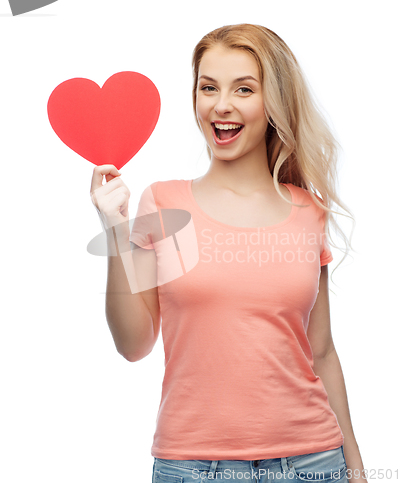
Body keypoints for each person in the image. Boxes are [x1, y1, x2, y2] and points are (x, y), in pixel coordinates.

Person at [90, 24, 366, 482]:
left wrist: (356, 467)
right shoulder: (164, 204)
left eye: (244, 88)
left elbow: (321, 352)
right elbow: (133, 344)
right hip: (193, 467)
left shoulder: (307, 212)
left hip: (314, 463)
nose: (221, 105)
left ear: (273, 101)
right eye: (208, 87)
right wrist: (115, 229)